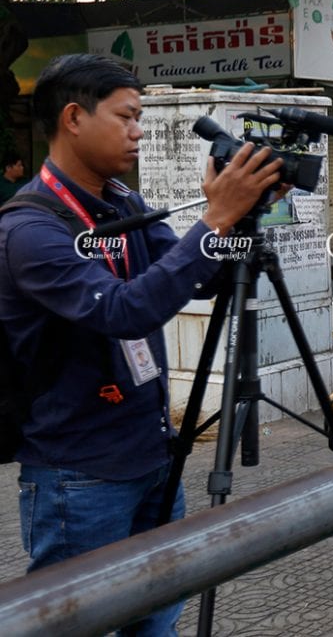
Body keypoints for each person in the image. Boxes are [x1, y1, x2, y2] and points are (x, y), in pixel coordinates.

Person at [0, 54, 282, 634]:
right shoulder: (30, 230)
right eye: (128, 117)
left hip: (153, 458)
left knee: (156, 626)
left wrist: (236, 220)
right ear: (74, 118)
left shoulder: (121, 202)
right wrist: (214, 220)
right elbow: (128, 312)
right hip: (78, 474)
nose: (140, 131)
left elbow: (200, 277)